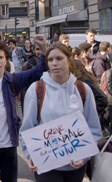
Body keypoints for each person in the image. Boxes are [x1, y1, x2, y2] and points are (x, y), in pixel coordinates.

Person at [20, 43, 102, 182]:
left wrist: (84, 156)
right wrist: (31, 155)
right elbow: (26, 128)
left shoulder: (83, 89)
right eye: (50, 60)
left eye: (59, 58)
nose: (54, 63)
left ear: (69, 60)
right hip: (47, 166)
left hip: (75, 166)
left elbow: (94, 129)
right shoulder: (36, 89)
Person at [0, 34, 48, 182]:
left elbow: (39, 70)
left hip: (9, 146)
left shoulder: (13, 80)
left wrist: (43, 48)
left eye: (1, 57)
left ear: (6, 60)